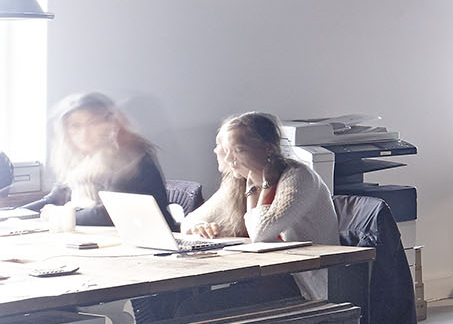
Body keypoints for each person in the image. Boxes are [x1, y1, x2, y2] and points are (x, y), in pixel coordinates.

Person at [182, 112, 341, 247]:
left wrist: (263, 186)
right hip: (274, 267)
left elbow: (261, 233)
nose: (229, 159)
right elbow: (188, 222)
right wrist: (200, 226)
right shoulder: (238, 181)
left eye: (239, 150)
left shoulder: (299, 176)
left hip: (311, 269)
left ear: (268, 149)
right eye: (227, 150)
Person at [34, 92, 172, 226]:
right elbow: (54, 199)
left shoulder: (131, 158)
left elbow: (110, 213)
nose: (84, 133)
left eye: (92, 123)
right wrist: (21, 213)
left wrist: (61, 215)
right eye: (75, 126)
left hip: (143, 237)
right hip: (98, 237)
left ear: (109, 124)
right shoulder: (79, 161)